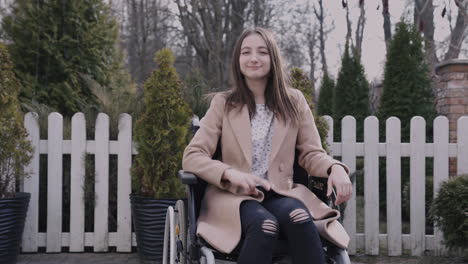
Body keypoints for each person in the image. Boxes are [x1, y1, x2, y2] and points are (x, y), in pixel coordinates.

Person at [182, 27, 352, 264]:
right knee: (266, 226)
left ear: (273, 58)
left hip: (280, 192)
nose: (253, 58)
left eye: (262, 52)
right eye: (246, 52)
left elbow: (312, 153)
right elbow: (192, 155)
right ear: (238, 60)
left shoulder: (294, 102)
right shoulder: (224, 103)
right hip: (233, 196)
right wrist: (229, 173)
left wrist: (335, 168)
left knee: (300, 218)